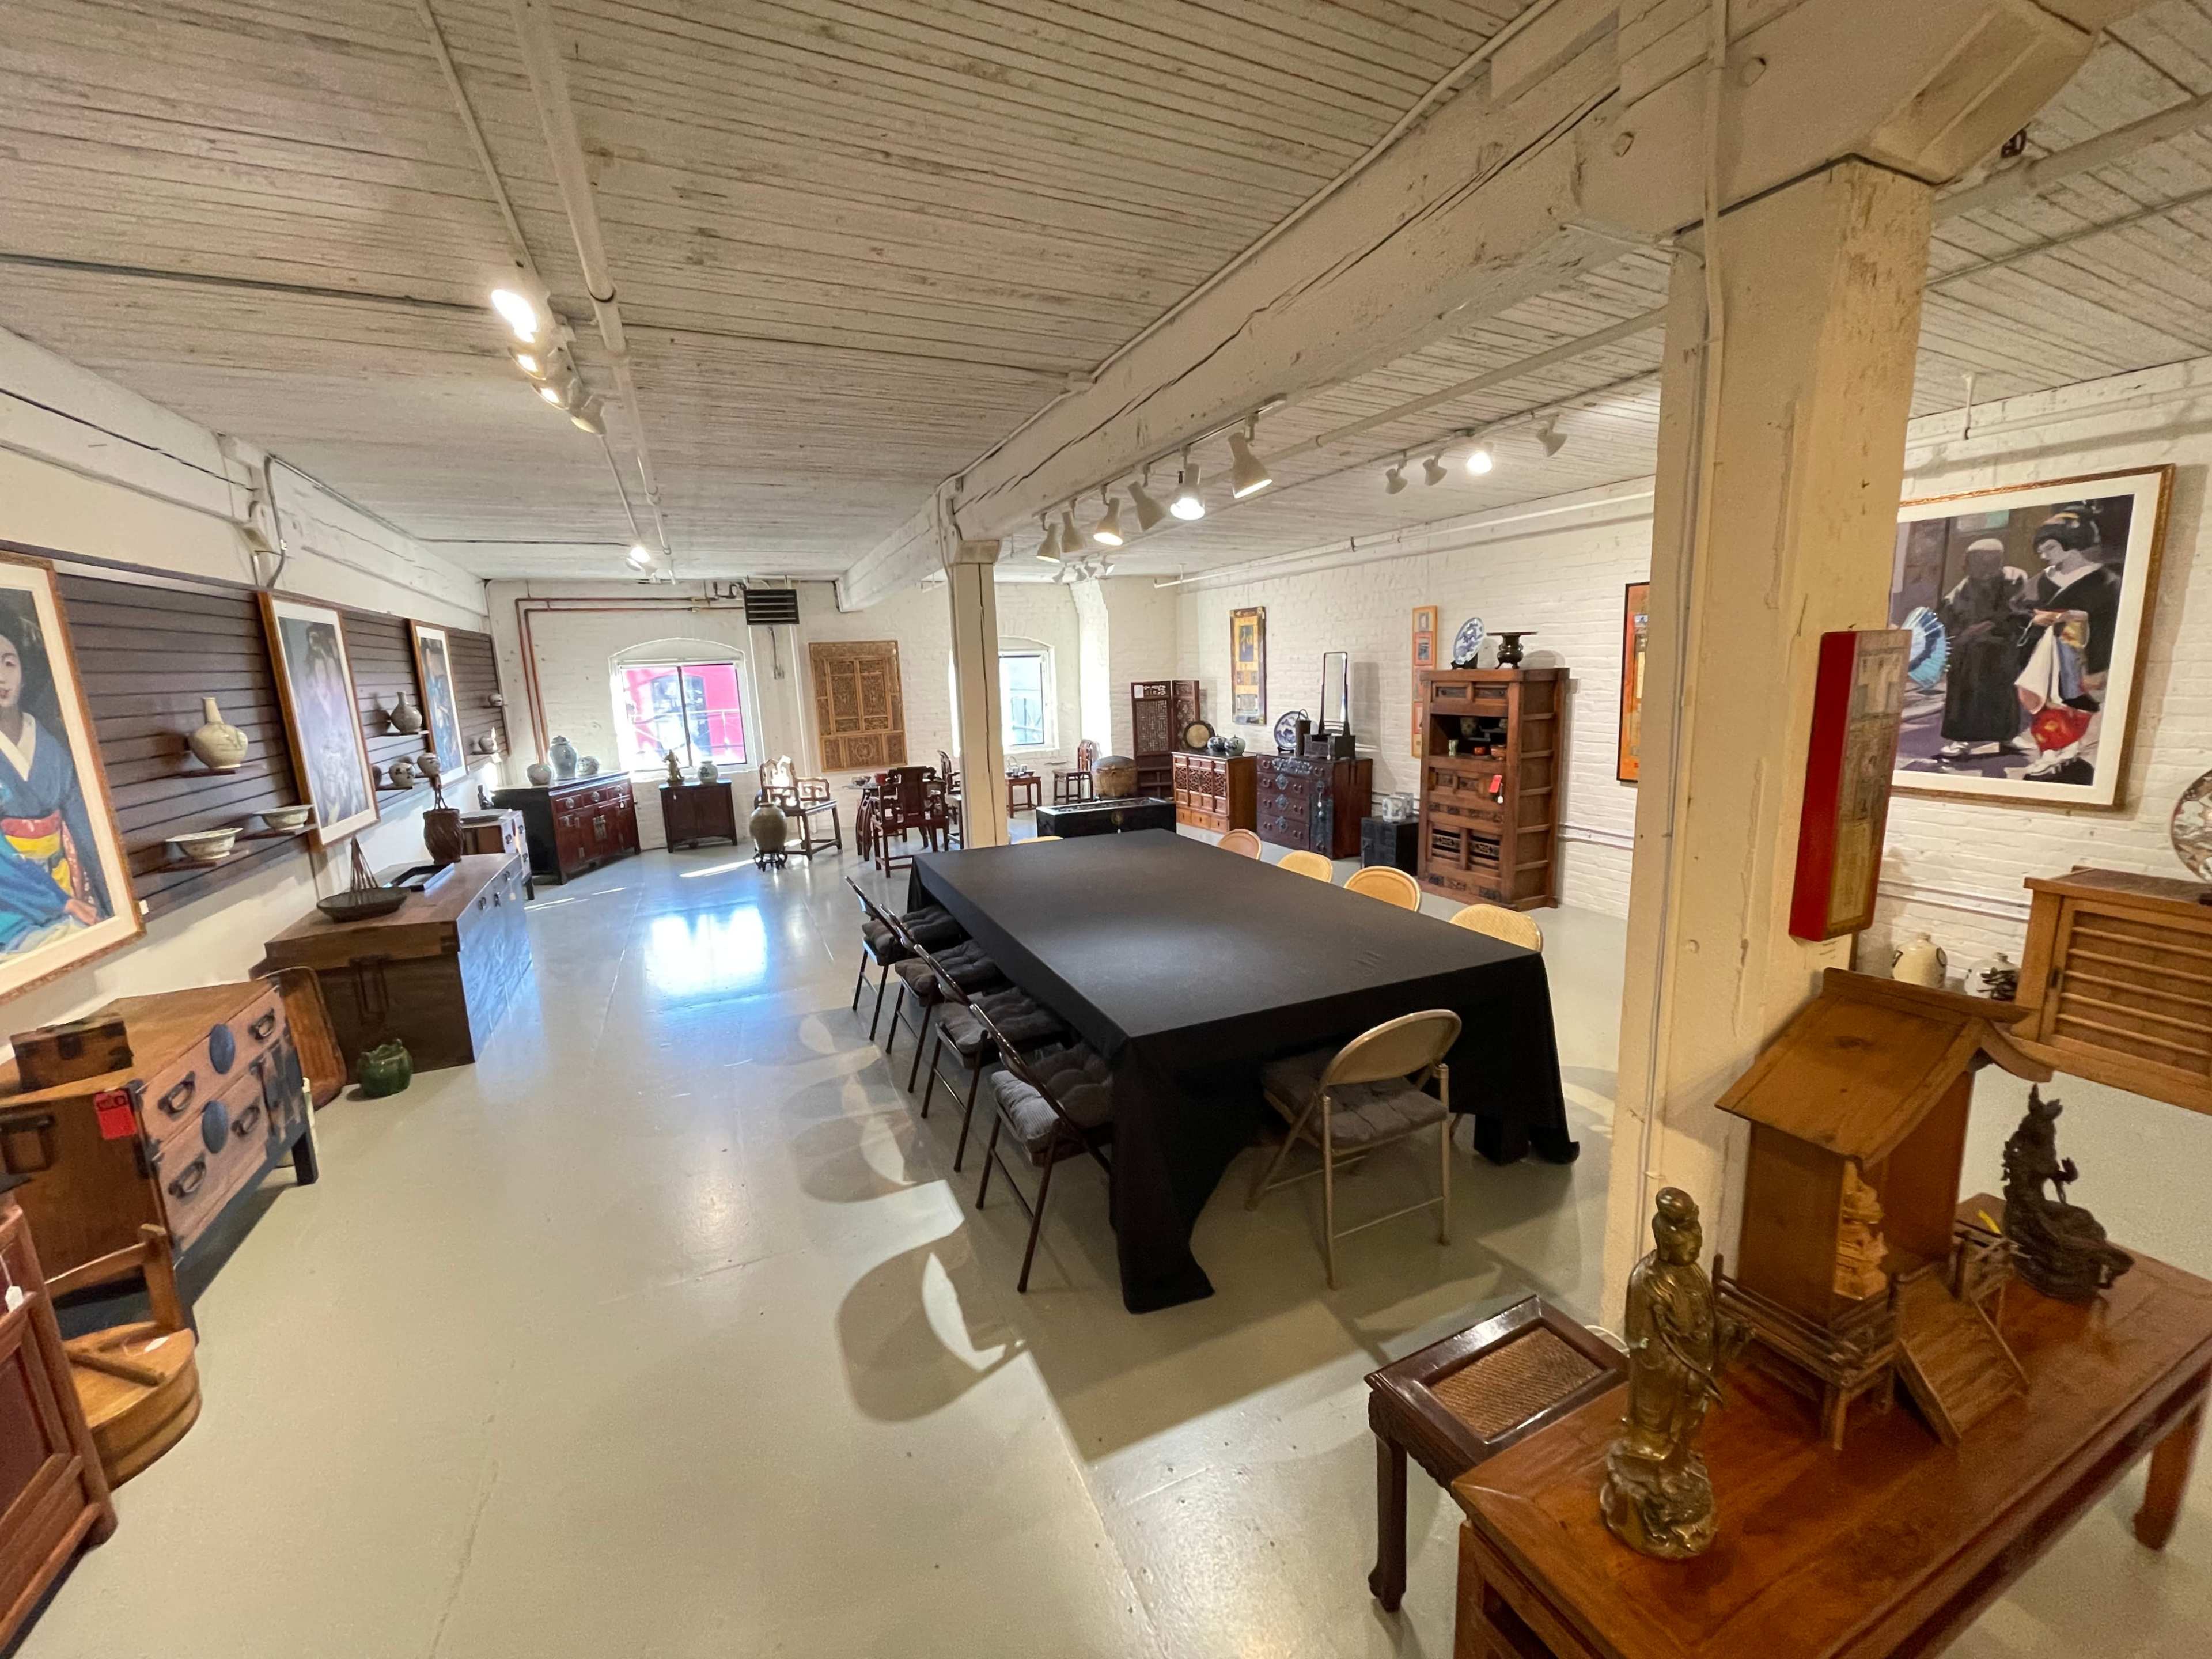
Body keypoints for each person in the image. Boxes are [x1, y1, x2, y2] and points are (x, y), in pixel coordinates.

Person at [0, 609, 111, 952]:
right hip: (10, 899)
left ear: (24, 671)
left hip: (66, 881)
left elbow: (85, 828)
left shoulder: (54, 743)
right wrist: (55, 901)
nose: (1, 677)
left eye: (9, 663)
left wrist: (110, 904)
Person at [2013, 509, 2122, 785]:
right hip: (2043, 655)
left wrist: (2077, 620)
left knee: (2075, 704)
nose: (2044, 555)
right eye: (2041, 549)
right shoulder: (2040, 581)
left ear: (2072, 545)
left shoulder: (2105, 581)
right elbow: (2017, 613)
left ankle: (2071, 751)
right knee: (2044, 706)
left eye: (2050, 547)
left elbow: (2110, 623)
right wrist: (2036, 620)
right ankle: (2049, 751)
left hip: (2079, 653)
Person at [1933, 537, 2032, 763]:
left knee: (2004, 695)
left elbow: (2017, 611)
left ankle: (2007, 737)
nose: (1984, 569)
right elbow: (1946, 618)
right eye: (1978, 562)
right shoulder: (1963, 589)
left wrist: (1991, 627)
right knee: (1964, 695)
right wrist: (1959, 637)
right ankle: (1961, 740)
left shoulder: (2014, 579)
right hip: (1968, 653)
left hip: (2001, 648)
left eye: (1990, 562)